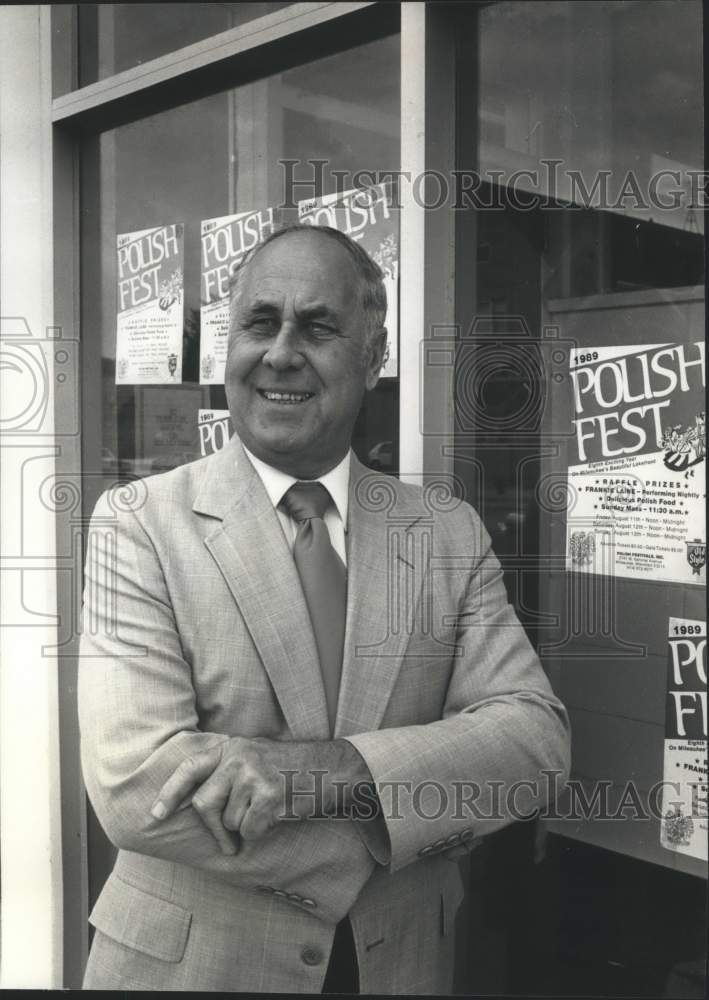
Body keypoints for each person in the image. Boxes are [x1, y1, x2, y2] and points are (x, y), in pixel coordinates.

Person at [78, 224, 570, 993]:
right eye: (259, 322)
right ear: (228, 344)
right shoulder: (137, 522)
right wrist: (401, 819)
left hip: (396, 966)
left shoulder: (442, 530)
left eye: (317, 326)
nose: (279, 353)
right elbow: (138, 793)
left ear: (372, 359)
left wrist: (328, 773)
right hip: (194, 971)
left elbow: (533, 747)